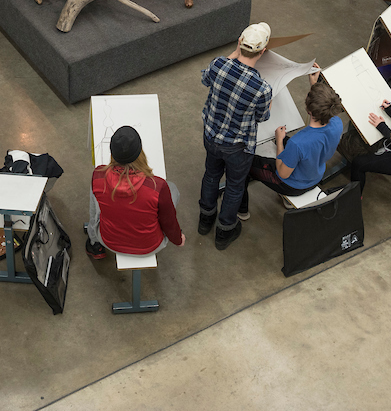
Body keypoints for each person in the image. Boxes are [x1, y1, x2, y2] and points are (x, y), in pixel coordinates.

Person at [198, 22, 274, 250]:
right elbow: (262, 117)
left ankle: (205, 219)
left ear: (239, 43)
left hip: (211, 136)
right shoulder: (262, 88)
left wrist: (234, 53)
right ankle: (224, 231)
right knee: (234, 186)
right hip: (237, 147)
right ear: (263, 51)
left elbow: (205, 79)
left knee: (211, 175)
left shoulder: (218, 65)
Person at [242, 77, 343, 214]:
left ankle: (241, 209)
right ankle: (286, 201)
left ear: (308, 110)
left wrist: (279, 141)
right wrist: (314, 84)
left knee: (242, 162)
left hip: (292, 186)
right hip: (315, 176)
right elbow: (323, 109)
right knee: (289, 144)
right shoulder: (337, 123)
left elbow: (282, 173)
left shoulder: (298, 143)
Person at [85, 126, 185, 260]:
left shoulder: (98, 175)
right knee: (172, 188)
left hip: (109, 241)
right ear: (140, 152)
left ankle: (94, 243)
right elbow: (169, 222)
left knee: (96, 192)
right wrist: (178, 239)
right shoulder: (157, 186)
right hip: (149, 246)